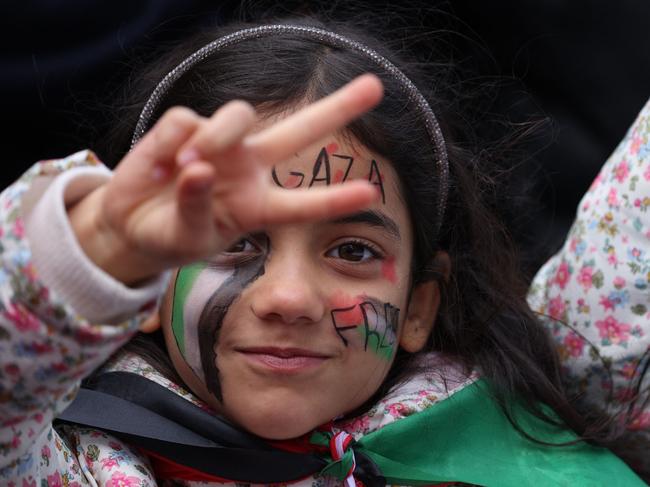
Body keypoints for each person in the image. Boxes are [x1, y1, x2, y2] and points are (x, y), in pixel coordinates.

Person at [0, 15, 647, 486]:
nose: (287, 297)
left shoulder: (544, 415)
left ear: (420, 305)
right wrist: (95, 252)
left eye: (353, 250)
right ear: (146, 288)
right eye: (235, 243)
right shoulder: (72, 469)